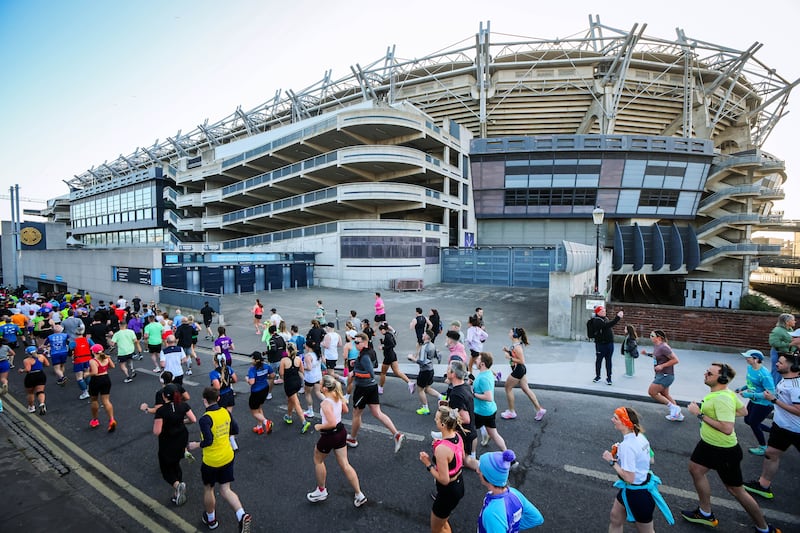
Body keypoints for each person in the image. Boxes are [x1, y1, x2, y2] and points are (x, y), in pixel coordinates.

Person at [681, 363, 780, 533]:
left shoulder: (722, 398)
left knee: (736, 490)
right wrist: (719, 415)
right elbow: (743, 412)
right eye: (707, 371)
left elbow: (727, 429)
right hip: (708, 444)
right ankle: (705, 514)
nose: (705, 374)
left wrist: (700, 414)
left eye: (709, 373)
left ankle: (764, 528)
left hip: (723, 450)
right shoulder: (724, 393)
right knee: (695, 469)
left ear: (722, 378)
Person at [188, 387, 252, 532]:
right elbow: (235, 429)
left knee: (209, 489)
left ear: (204, 400)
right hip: (228, 456)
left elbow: (208, 440)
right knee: (225, 489)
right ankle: (242, 515)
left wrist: (195, 445)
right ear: (218, 399)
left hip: (211, 460)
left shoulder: (205, 419)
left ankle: (211, 520)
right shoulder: (226, 412)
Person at [601, 407, 673, 533]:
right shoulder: (640, 436)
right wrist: (623, 457)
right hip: (634, 490)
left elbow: (629, 478)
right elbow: (651, 460)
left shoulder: (627, 446)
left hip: (638, 495)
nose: (612, 420)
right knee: (615, 517)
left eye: (616, 418)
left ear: (625, 422)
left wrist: (611, 461)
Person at [744, 352, 800, 502]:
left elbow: (799, 411)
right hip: (781, 427)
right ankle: (763, 486)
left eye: (781, 363)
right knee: (771, 454)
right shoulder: (784, 380)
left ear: (793, 367)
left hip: (796, 430)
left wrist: (774, 400)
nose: (777, 364)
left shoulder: (796, 386)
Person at [306, 374, 367, 508]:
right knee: (345, 464)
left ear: (325, 389)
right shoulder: (337, 396)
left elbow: (331, 423)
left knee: (318, 460)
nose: (319, 386)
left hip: (329, 435)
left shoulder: (325, 403)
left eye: (321, 384)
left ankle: (321, 491)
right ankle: (359, 494)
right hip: (341, 432)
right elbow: (345, 410)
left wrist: (319, 426)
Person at [346, 333, 406, 453]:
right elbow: (375, 365)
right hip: (372, 387)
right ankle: (397, 435)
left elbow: (370, 373)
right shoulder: (370, 352)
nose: (355, 345)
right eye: (354, 342)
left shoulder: (364, 356)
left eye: (357, 342)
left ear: (364, 342)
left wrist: (354, 373)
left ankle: (352, 439)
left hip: (363, 388)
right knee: (377, 413)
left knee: (356, 414)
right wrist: (356, 364)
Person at [419, 406, 466, 533]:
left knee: (436, 529)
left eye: (437, 418)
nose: (435, 420)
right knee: (443, 522)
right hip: (458, 484)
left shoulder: (442, 449)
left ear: (443, 424)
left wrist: (428, 463)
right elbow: (462, 457)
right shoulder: (457, 436)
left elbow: (444, 480)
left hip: (448, 491)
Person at [152, 383, 197, 506]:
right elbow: (193, 419)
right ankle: (178, 490)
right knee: (176, 462)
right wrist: (182, 421)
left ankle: (177, 485)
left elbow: (157, 431)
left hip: (168, 441)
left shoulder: (161, 411)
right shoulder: (183, 405)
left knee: (166, 469)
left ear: (164, 396)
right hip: (182, 438)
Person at [477, 450, 544, 532]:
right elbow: (536, 518)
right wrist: (511, 528)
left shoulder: (491, 514)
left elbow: (537, 519)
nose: (477, 471)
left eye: (480, 470)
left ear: (489, 478)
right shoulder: (514, 493)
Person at [500, 328, 546, 421]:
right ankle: (539, 409)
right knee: (526, 389)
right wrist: (508, 351)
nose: (509, 333)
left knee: (508, 388)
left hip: (519, 370)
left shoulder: (517, 347)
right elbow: (515, 355)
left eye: (510, 332)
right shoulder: (515, 345)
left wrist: (509, 358)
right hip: (520, 370)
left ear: (515, 335)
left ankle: (511, 412)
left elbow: (522, 361)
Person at [735, 349, 776, 456]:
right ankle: (774, 432)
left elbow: (770, 393)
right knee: (748, 420)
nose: (746, 359)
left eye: (748, 357)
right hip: (754, 400)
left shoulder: (764, 375)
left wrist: (750, 395)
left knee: (754, 423)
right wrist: (742, 388)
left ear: (756, 359)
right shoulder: (750, 368)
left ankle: (763, 447)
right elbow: (751, 383)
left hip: (764, 403)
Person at [442, 360, 478, 470]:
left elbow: (465, 419)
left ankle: (488, 468)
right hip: (470, 431)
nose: (446, 371)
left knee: (465, 460)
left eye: (448, 370)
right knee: (464, 459)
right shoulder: (466, 386)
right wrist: (448, 405)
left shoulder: (456, 394)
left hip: (463, 433)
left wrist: (448, 415)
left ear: (453, 374)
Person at [641, 330, 682, 421]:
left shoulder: (664, 347)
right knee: (665, 394)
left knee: (652, 392)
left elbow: (675, 360)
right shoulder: (657, 346)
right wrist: (646, 354)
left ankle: (674, 408)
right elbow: (657, 356)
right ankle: (678, 415)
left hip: (666, 375)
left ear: (659, 338)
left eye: (652, 335)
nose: (650, 337)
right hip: (662, 375)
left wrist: (662, 366)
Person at [473, 352, 507, 451]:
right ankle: (509, 456)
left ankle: (471, 455)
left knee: (468, 431)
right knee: (494, 434)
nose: (475, 361)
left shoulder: (484, 378)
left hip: (481, 412)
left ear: (482, 364)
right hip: (489, 410)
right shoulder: (488, 372)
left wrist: (473, 394)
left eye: (478, 359)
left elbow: (489, 397)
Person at [408, 329, 442, 415]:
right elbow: (438, 356)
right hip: (431, 370)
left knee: (420, 390)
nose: (422, 335)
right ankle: (441, 397)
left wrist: (412, 358)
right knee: (427, 388)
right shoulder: (432, 345)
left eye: (424, 334)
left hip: (424, 371)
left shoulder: (424, 347)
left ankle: (425, 408)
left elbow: (422, 361)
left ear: (427, 336)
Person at [280, 342, 312, 433]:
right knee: (291, 400)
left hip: (289, 384)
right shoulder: (298, 359)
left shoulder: (284, 360)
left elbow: (281, 373)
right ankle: (289, 416)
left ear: (287, 351)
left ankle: (304, 422)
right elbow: (301, 370)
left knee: (296, 402)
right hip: (297, 382)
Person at [589, 305, 623, 385]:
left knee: (608, 361)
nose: (605, 312)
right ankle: (598, 376)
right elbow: (607, 326)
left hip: (609, 344)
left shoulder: (605, 318)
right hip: (601, 345)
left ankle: (609, 378)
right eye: (602, 311)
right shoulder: (596, 321)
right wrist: (617, 317)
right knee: (599, 361)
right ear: (598, 313)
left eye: (604, 310)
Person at [378, 322, 414, 395]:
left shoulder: (387, 336)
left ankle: (380, 388)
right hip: (393, 355)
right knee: (397, 372)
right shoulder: (390, 335)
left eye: (381, 330)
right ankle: (409, 382)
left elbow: (391, 345)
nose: (380, 332)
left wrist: (383, 347)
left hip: (388, 356)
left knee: (383, 373)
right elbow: (394, 344)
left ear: (384, 330)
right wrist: (383, 343)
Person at [87, 344, 117, 432]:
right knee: (106, 401)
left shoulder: (93, 361)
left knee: (94, 400)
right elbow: (113, 366)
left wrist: (87, 374)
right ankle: (112, 419)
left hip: (96, 381)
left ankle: (95, 420)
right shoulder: (106, 358)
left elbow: (95, 372)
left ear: (93, 352)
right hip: (106, 379)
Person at [246, 351, 274, 435]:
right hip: (265, 389)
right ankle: (260, 427)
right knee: (259, 408)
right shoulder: (266, 366)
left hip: (256, 392)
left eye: (252, 358)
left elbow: (251, 382)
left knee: (254, 412)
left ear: (255, 360)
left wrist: (247, 379)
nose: (251, 360)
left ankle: (266, 422)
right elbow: (272, 376)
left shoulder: (252, 369)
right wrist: (265, 377)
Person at [768, 313, 797, 386]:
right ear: (787, 322)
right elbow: (773, 342)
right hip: (778, 353)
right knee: (777, 371)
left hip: (787, 354)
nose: (795, 322)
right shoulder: (777, 330)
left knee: (784, 371)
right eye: (793, 320)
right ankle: (773, 388)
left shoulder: (789, 329)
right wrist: (789, 344)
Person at [20, 346, 49, 415]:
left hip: (31, 376)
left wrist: (22, 370)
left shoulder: (27, 360)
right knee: (40, 391)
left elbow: (28, 369)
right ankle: (42, 403)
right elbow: (47, 364)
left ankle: (31, 407)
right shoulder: (41, 357)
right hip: (40, 374)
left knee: (30, 393)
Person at [303, 343, 323, 418]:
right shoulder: (318, 354)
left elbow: (309, 368)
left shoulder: (308, 356)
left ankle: (310, 411)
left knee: (308, 393)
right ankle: (329, 402)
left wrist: (302, 367)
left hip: (310, 377)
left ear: (308, 347)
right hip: (318, 376)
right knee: (318, 392)